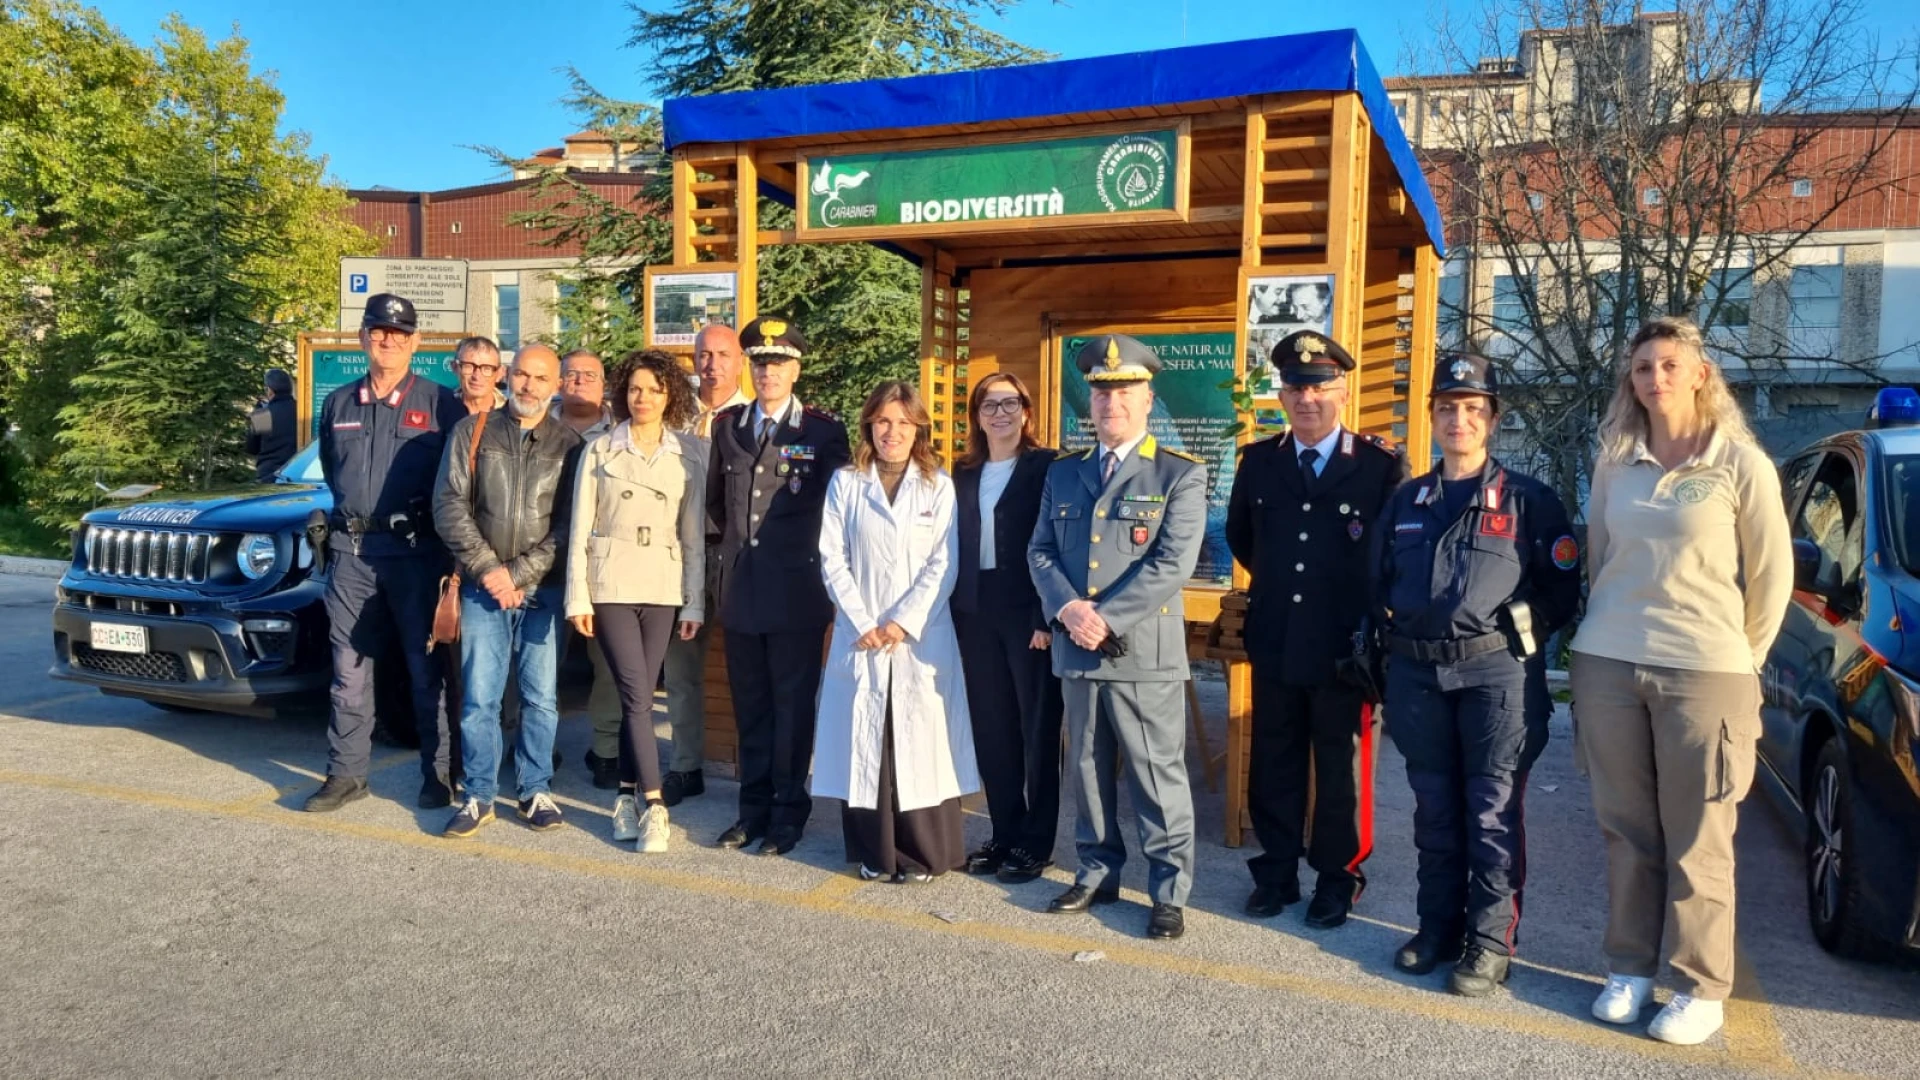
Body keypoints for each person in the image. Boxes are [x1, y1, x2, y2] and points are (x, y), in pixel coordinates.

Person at [1570, 316, 1792, 1045]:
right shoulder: (1615, 461)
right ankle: (1629, 969)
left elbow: (1771, 580)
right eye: (1642, 368)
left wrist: (1738, 658)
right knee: (1626, 829)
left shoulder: (1742, 465)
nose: (1655, 379)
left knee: (1701, 835)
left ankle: (1699, 985)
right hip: (1609, 663)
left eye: (1669, 365)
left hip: (1708, 672)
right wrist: (1609, 638)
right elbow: (1602, 563)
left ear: (1700, 373)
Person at [1373, 352, 1580, 996]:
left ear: (1492, 418)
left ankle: (1489, 942)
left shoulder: (1529, 500)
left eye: (1472, 408)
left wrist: (1520, 629)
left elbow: (1562, 590)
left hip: (1497, 679)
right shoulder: (1408, 499)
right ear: (1432, 417)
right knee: (1433, 811)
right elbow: (1378, 580)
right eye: (1446, 408)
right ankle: (1436, 929)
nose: (1458, 419)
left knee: (1490, 814)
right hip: (1418, 679)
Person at [1225, 330, 1407, 929]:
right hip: (1277, 636)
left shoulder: (1379, 466)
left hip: (1345, 647)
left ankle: (1338, 877)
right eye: (1297, 386)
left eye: (1321, 385)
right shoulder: (1259, 461)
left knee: (1341, 771)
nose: (1308, 398)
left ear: (1343, 391)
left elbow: (1392, 556)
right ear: (1282, 394)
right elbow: (1242, 539)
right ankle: (1276, 870)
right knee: (1272, 759)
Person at [1029, 334, 1208, 941]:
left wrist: (1103, 617)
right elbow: (1041, 551)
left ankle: (1168, 890)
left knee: (1157, 776)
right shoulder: (1066, 472)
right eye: (1102, 393)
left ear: (1148, 398)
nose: (1112, 404)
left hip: (1141, 654)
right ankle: (1096, 870)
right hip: (1076, 647)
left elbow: (1171, 563)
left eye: (1124, 392)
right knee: (1085, 767)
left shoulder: (1178, 473)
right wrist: (1069, 610)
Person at [303, 293, 463, 813]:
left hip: (417, 555)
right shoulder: (339, 403)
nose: (387, 341)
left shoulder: (442, 404)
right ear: (363, 338)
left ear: (415, 342)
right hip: (351, 554)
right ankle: (346, 774)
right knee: (348, 672)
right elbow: (333, 471)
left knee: (425, 671)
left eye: (398, 334)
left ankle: (437, 775)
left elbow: (458, 482)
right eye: (378, 332)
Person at [815, 381, 980, 881]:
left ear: (918, 429)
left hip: (919, 638)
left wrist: (901, 623)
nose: (893, 432)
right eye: (884, 421)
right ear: (869, 424)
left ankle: (924, 854)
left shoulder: (938, 485)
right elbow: (831, 556)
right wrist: (865, 623)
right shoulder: (847, 482)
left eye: (904, 423)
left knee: (918, 742)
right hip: (860, 635)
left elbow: (943, 563)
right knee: (870, 743)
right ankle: (875, 854)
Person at [707, 316, 851, 856]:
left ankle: (789, 812)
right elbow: (715, 505)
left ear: (797, 367)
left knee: (793, 708)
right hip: (743, 591)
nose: (769, 372)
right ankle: (753, 810)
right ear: (751, 366)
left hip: (796, 594)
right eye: (761, 362)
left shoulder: (821, 430)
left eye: (779, 363)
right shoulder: (729, 427)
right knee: (752, 707)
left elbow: (838, 510)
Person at [432, 344, 583, 838]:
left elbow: (571, 526)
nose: (528, 386)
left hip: (543, 591)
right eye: (521, 375)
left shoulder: (571, 446)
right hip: (482, 590)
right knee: (479, 698)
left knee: (541, 698)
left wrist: (517, 574)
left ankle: (534, 790)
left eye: (540, 378)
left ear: (555, 385)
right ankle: (477, 794)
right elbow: (449, 506)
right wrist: (489, 571)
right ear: (506, 376)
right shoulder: (471, 433)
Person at [566, 351, 706, 853]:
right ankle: (655, 805)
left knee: (639, 698)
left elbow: (692, 538)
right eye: (634, 389)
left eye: (653, 389)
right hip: (612, 584)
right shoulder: (601, 450)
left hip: (664, 585)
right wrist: (577, 596)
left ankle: (625, 796)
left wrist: (693, 605)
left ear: (671, 396)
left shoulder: (688, 454)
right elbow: (581, 528)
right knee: (636, 697)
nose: (642, 398)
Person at [951, 373, 1063, 884]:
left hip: (1029, 613)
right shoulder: (963, 472)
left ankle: (1036, 842)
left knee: (1036, 729)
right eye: (989, 405)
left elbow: (1062, 544)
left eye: (1010, 403)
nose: (1000, 413)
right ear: (976, 416)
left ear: (1027, 411)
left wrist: (1047, 617)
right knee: (992, 729)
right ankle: (1004, 832)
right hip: (975, 610)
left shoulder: (1048, 467)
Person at [660, 323, 751, 807]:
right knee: (681, 670)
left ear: (739, 362)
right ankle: (685, 765)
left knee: (747, 669)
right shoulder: (674, 418)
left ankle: (755, 770)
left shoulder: (753, 418)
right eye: (703, 355)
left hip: (735, 558)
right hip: (682, 557)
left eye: (722, 354)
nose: (712, 364)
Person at [551, 348, 624, 789]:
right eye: (571, 374)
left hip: (601, 563)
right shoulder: (532, 423)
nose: (578, 381)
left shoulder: (619, 433)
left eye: (589, 375)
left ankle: (606, 749)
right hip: (542, 561)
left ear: (604, 385)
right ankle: (534, 746)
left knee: (608, 662)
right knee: (537, 662)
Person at [245, 368, 297, 481]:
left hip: (268, 474)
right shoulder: (301, 410)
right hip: (296, 472)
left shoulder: (263, 414)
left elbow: (252, 448)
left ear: (270, 390)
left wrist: (256, 413)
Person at [454, 336, 506, 415]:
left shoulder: (513, 414)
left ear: (499, 373)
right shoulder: (440, 410)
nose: (477, 376)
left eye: (486, 368)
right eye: (468, 366)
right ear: (455, 368)